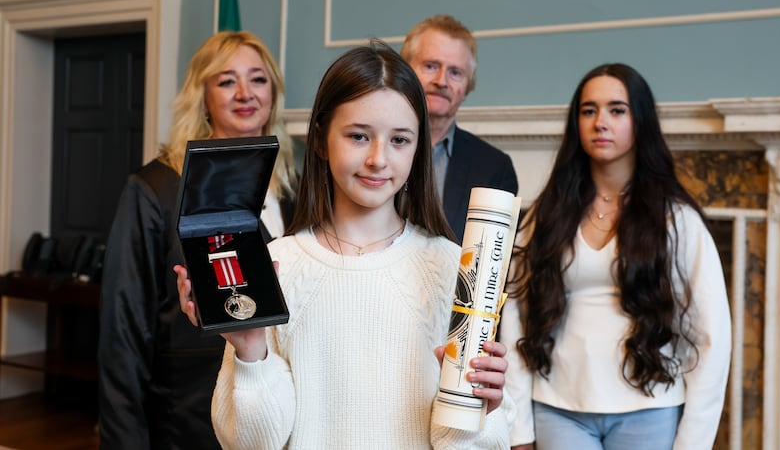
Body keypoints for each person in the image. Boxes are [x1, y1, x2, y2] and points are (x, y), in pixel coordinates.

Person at [175, 41, 515, 448]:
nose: (378, 159)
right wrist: (251, 350)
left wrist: (482, 409)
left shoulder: (451, 267)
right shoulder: (277, 263)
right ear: (320, 139)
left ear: (418, 147)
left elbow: (461, 446)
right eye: (358, 136)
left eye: (400, 140)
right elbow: (252, 443)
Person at [501, 63, 732, 450]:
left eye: (616, 110)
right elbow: (514, 319)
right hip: (557, 407)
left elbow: (712, 337)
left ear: (640, 120)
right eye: (588, 110)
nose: (600, 122)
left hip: (650, 407)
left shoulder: (677, 220)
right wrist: (518, 428)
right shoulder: (547, 214)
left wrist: (693, 442)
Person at [98, 31, 297, 449]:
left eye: (258, 79)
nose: (245, 93)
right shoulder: (155, 188)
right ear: (202, 96)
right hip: (187, 419)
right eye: (226, 81)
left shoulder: (297, 189)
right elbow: (123, 332)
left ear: (274, 92)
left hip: (280, 415)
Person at [400, 14, 518, 241]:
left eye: (455, 72)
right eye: (430, 66)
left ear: (468, 86)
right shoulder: (373, 150)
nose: (441, 81)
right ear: (405, 72)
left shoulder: (495, 168)